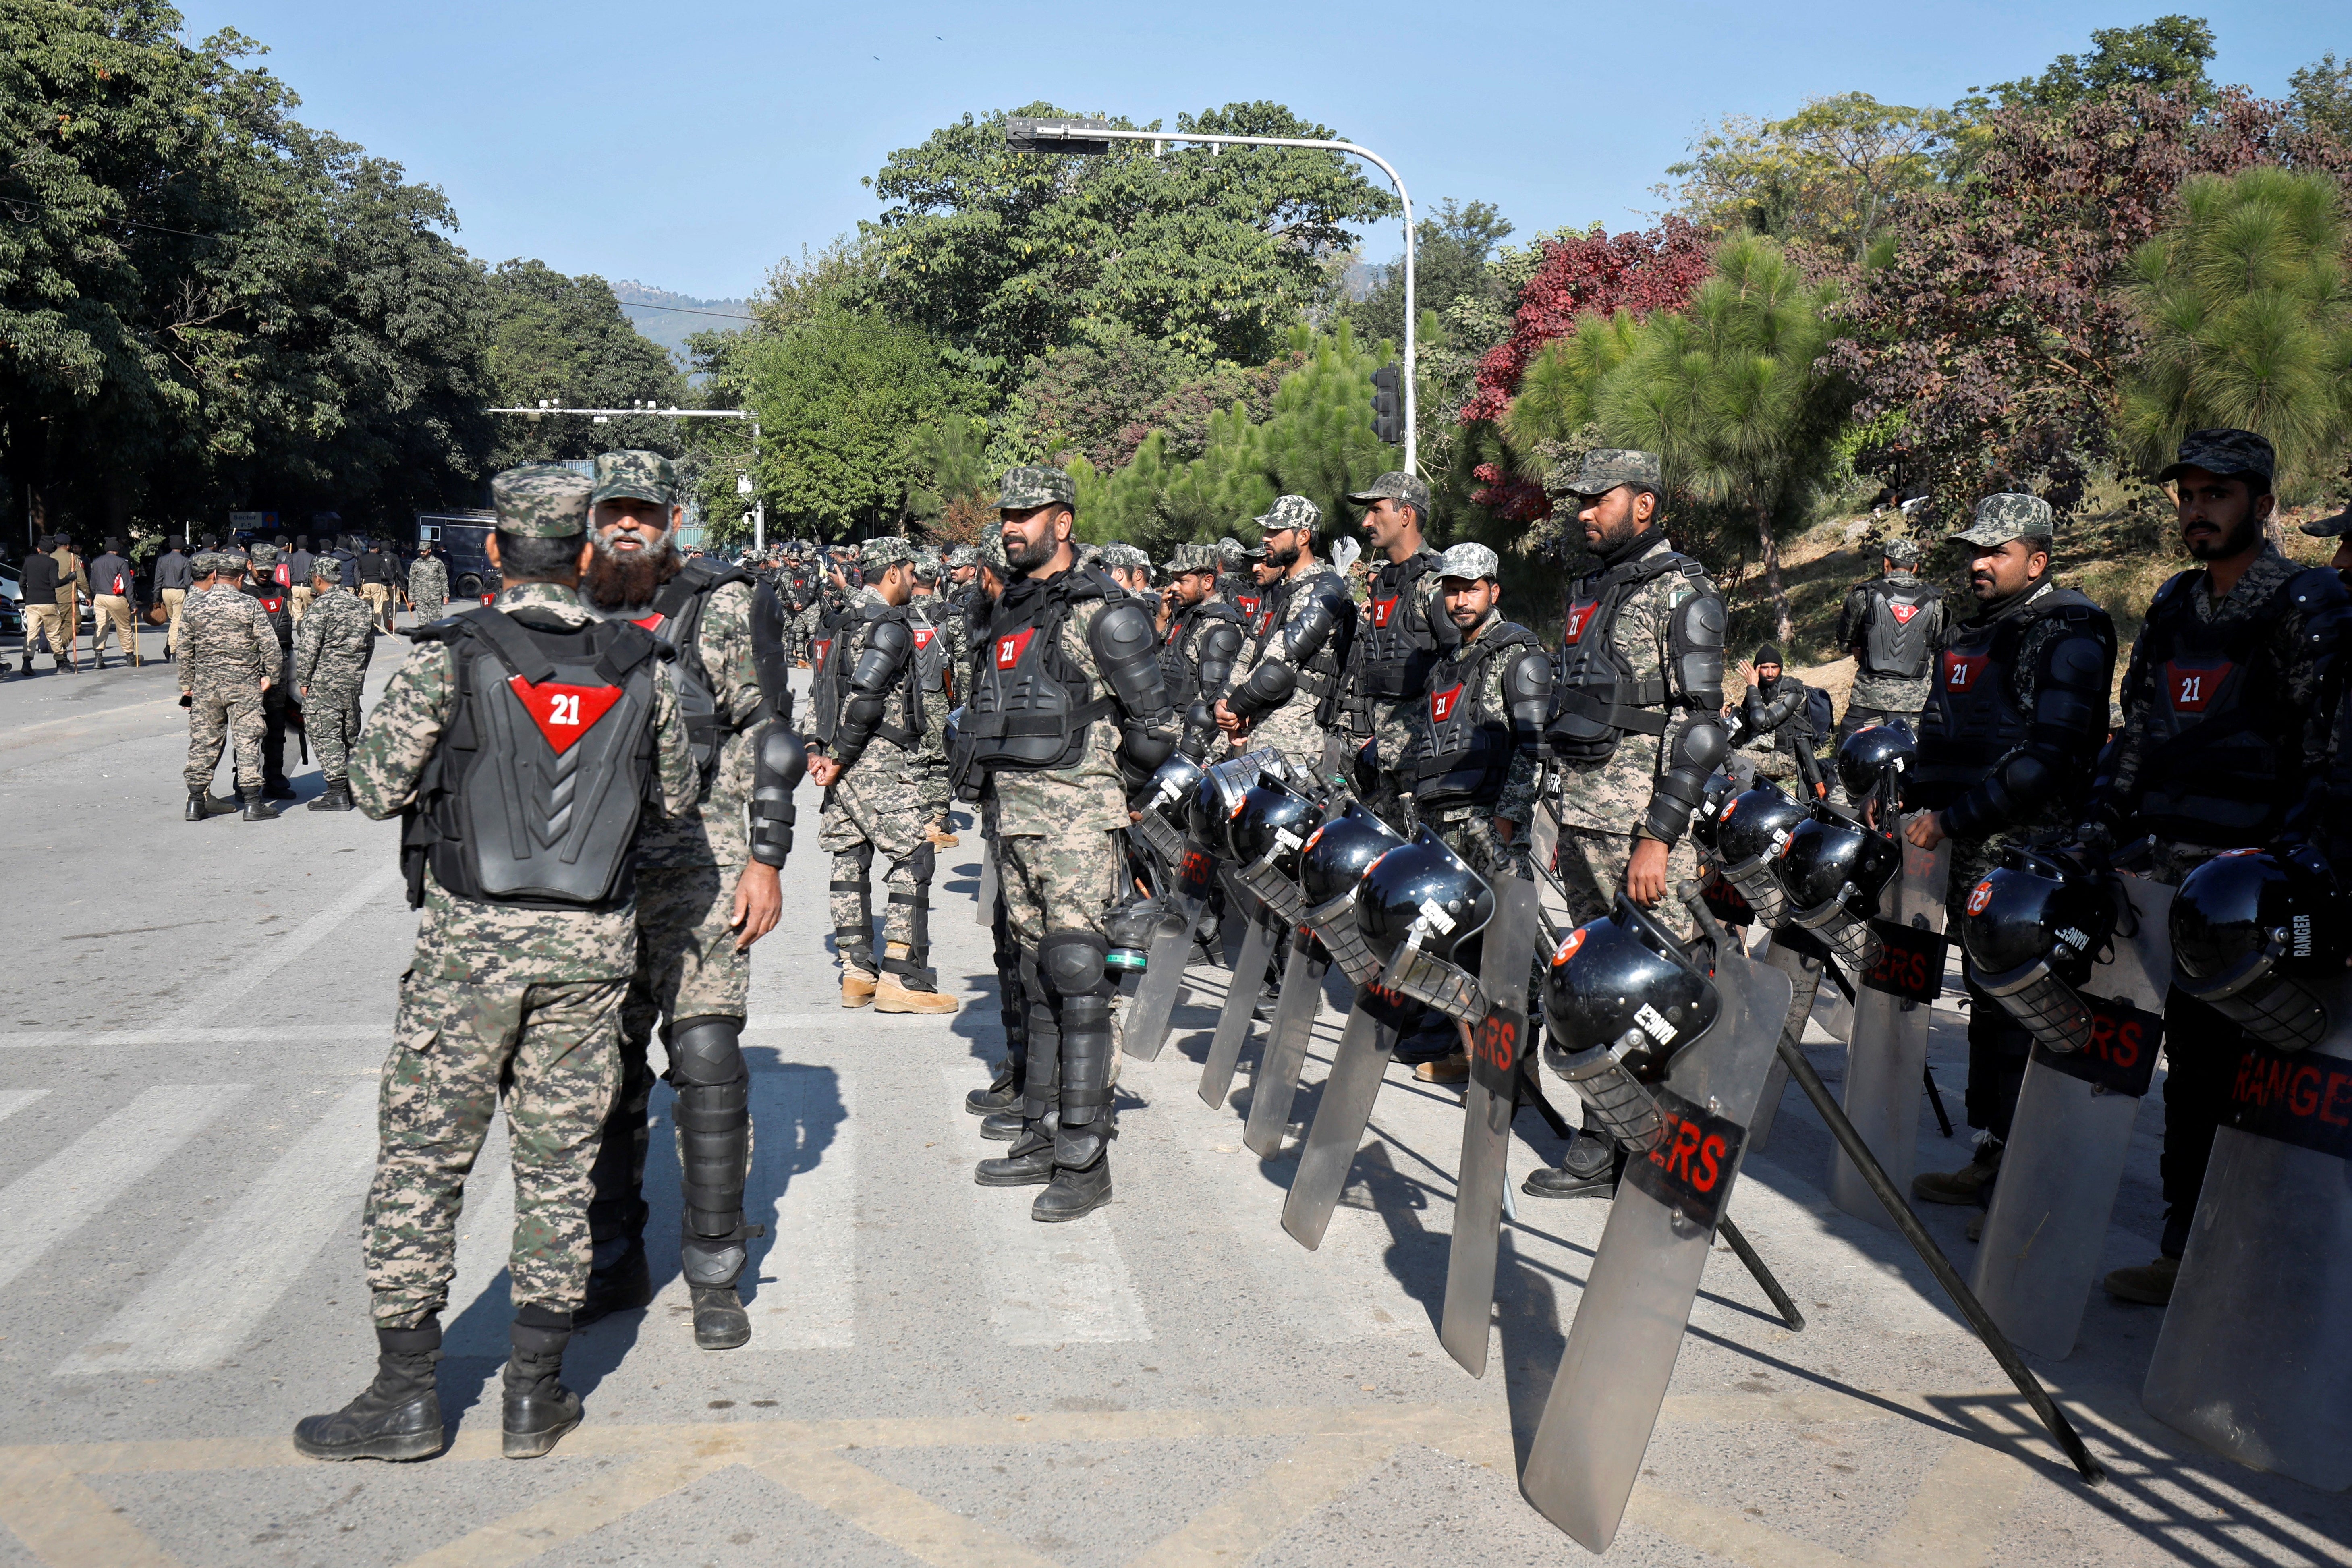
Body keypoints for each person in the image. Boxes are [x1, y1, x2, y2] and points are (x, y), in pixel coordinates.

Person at [295, 464, 697, 1464]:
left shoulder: (450, 654)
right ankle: (534, 1395)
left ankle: (403, 1398)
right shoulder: (647, 664)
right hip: (591, 950)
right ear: (593, 553)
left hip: (471, 945)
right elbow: (678, 802)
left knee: (424, 1165)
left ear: (492, 551)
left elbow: (376, 787)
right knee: (559, 1174)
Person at [2072, 431, 2349, 1303]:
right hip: (2173, 886)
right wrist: (2098, 834)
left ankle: (2275, 1270)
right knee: (2192, 1078)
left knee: (2277, 1087)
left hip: (2259, 898)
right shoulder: (2172, 605)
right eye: (2188, 494)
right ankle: (2184, 1249)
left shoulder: (2308, 603)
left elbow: (2327, 756)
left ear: (2264, 505)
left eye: (2217, 494)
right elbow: (2138, 739)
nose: (2198, 509)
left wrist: (2295, 867)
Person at [569, 450, 801, 1349]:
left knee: (707, 1063)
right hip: (593, 878)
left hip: (702, 871)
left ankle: (714, 1272)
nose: (626, 525)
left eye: (642, 511)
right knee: (604, 1074)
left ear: (672, 516)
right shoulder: (569, 600)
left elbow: (765, 732)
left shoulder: (721, 601)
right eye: (611, 510)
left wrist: (764, 858)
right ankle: (613, 1254)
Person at [960, 466, 1177, 1220]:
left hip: (1077, 817)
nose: (1010, 525)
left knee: (1079, 976)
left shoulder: (1103, 615)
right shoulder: (1012, 608)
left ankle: (1085, 1159)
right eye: (1005, 513)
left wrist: (1110, 799)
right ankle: (1042, 1132)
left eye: (1026, 513)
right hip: (1013, 816)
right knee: (1034, 975)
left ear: (1063, 521)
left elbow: (1158, 726)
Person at [1902, 493, 2115, 1213]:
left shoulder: (2068, 632)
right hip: (1970, 854)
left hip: (2032, 860)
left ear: (2038, 559)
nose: (1978, 563)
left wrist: (1953, 817)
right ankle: (1992, 1154)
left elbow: (2046, 762)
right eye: (1974, 549)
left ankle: (2034, 1185)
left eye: (1996, 551)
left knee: (2033, 1012)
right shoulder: (1969, 631)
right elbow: (1940, 732)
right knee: (1989, 1010)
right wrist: (1904, 796)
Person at [1524, 450, 1729, 1201]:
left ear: (1642, 505)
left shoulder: (1683, 594)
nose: (1582, 511)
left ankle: (1678, 1146)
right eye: (1576, 499)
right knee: (1593, 985)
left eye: (1596, 498)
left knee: (1666, 984)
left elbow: (1701, 729)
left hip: (1640, 831)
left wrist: (1660, 833)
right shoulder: (1589, 588)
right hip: (1578, 818)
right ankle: (1603, 1137)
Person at [1406, 541, 1551, 1083]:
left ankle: (1520, 1065)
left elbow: (1532, 743)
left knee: (1513, 953)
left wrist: (1511, 816)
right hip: (1443, 822)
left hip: (1491, 821)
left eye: (1470, 588)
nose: (1459, 599)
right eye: (1451, 588)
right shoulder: (1449, 662)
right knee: (1456, 945)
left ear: (1493, 590)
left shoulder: (1517, 652)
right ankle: (1471, 1056)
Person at [806, 536, 959, 1016]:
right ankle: (901, 977)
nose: (916, 580)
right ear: (892, 572)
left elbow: (819, 690)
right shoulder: (887, 624)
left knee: (849, 858)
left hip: (837, 758)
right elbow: (867, 698)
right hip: (874, 759)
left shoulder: (835, 619)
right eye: (911, 571)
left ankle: (856, 975)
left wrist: (817, 749)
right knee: (914, 855)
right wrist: (839, 755)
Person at [1340, 471, 1456, 833]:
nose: (1366, 521)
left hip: (1429, 761)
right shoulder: (1387, 583)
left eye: (1376, 510)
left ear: (1406, 514)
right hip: (1388, 758)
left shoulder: (1439, 582)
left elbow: (1470, 665)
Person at [1214, 495, 1354, 777]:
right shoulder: (1279, 591)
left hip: (1294, 741)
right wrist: (1226, 702)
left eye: (1276, 531)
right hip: (1258, 732)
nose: (1267, 538)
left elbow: (1277, 664)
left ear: (1303, 537)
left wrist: (1234, 708)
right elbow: (1249, 652)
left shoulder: (1320, 590)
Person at [178, 550, 281, 821]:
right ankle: (252, 803)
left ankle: (196, 802)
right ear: (241, 577)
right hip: (244, 685)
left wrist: (187, 685)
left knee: (204, 741)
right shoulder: (249, 605)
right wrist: (272, 677)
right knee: (248, 740)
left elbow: (184, 649)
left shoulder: (195, 605)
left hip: (206, 686)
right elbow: (270, 646)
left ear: (214, 576)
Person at [1834, 537, 1944, 749]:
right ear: (1915, 567)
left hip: (1868, 699)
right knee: (1911, 763)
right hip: (1915, 701)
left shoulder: (1864, 594)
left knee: (1850, 762)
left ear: (1886, 563)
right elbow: (1936, 644)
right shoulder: (1934, 599)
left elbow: (1843, 642)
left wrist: (1860, 647)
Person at [291, 556, 375, 811]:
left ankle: (337, 792)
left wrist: (304, 680)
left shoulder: (320, 608)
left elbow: (309, 648)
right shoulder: (360, 606)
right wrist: (358, 673)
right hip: (351, 682)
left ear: (318, 579)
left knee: (325, 734)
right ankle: (350, 787)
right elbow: (369, 646)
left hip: (324, 682)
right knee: (347, 735)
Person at [1155, 543, 1246, 761]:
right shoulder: (1185, 614)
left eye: (1183, 581)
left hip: (1194, 744)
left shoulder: (1219, 625)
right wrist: (1162, 618)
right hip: (1165, 729)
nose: (1174, 587)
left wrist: (1197, 756)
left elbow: (1214, 703)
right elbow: (1157, 660)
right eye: (1173, 579)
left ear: (1207, 581)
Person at [241, 544, 299, 801]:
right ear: (250, 565)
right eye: (260, 569)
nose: (265, 574)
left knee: (277, 726)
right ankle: (244, 781)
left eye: (269, 570)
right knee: (249, 727)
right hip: (252, 667)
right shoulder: (241, 592)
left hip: (281, 665)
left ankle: (274, 778)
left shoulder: (281, 590)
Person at [1725, 645, 1825, 796]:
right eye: (1765, 668)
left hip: (1786, 761)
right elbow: (1748, 722)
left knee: (1730, 758)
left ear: (1781, 668)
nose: (1770, 673)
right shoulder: (1760, 689)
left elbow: (1761, 721)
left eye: (1774, 667)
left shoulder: (1792, 691)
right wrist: (1729, 712)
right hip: (1758, 751)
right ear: (1756, 669)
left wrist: (1752, 686)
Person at [85, 537, 142, 670]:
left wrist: (94, 596)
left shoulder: (97, 562)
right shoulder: (121, 563)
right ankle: (130, 657)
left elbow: (92, 583)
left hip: (100, 598)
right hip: (116, 598)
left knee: (101, 626)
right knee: (123, 627)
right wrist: (132, 604)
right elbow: (128, 584)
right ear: (117, 549)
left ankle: (98, 658)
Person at [19, 537, 70, 675]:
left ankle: (27, 662)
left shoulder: (29, 561)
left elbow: (21, 582)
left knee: (32, 634)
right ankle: (60, 663)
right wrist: (69, 579)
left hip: (32, 604)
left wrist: (27, 597)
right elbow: (55, 584)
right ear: (51, 551)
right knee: (53, 634)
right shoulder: (53, 563)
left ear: (39, 549)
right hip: (49, 603)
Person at [154, 536, 194, 661]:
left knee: (173, 621)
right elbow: (188, 582)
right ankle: (173, 651)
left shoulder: (162, 560)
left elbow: (158, 581)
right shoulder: (185, 561)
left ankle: (169, 645)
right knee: (177, 621)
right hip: (179, 592)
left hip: (165, 592)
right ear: (182, 547)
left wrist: (156, 598)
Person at [357, 537, 397, 629]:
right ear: (377, 549)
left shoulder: (362, 558)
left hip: (365, 583)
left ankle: (364, 626)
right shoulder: (380, 558)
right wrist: (392, 582)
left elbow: (358, 569)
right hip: (376, 582)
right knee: (378, 605)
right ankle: (376, 627)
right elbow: (386, 571)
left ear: (369, 549)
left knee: (364, 604)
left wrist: (359, 582)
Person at [409, 539, 449, 627]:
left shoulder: (438, 563)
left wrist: (446, 595)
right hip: (420, 597)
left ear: (430, 550)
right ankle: (424, 639)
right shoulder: (416, 564)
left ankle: (435, 639)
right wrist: (411, 599)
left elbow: (444, 580)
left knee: (436, 621)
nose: (422, 553)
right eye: (421, 551)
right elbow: (412, 582)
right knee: (422, 623)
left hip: (435, 596)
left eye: (424, 551)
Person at [287, 536, 316, 624]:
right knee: (310, 611)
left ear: (297, 544)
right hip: (307, 587)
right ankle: (308, 628)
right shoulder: (312, 558)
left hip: (295, 587)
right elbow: (314, 574)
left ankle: (299, 627)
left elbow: (290, 572)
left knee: (297, 612)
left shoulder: (292, 557)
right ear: (307, 544)